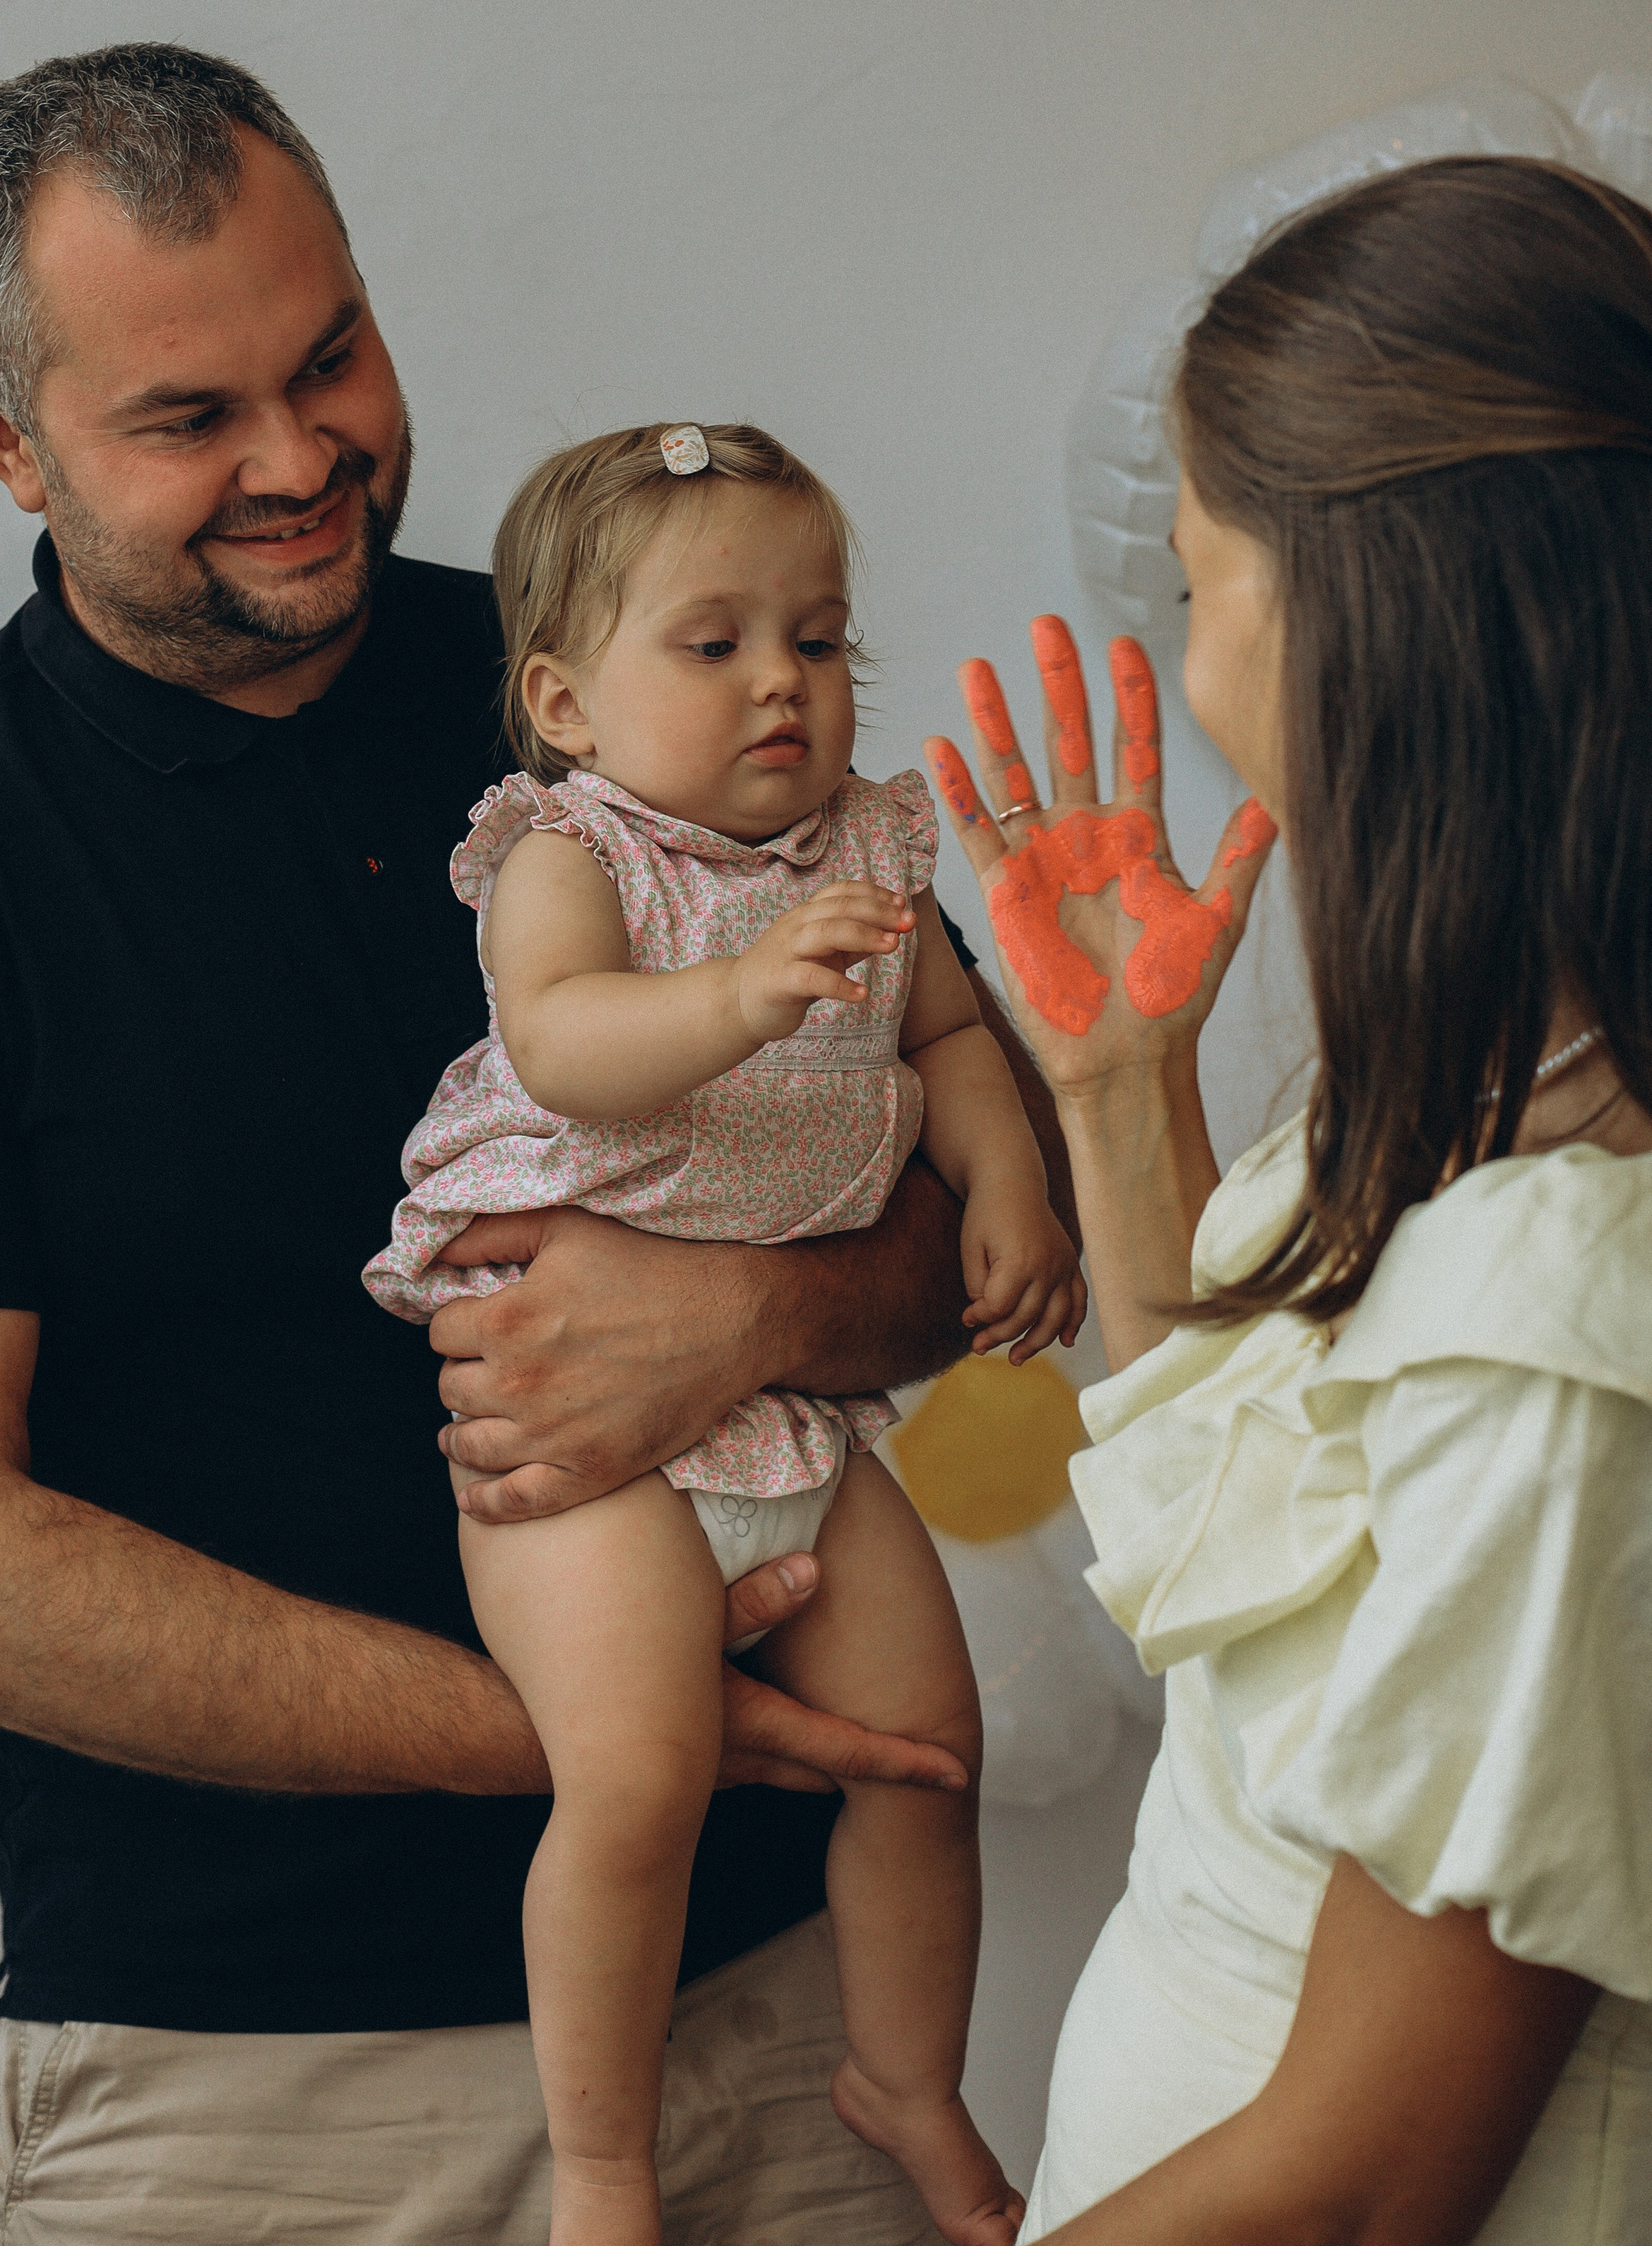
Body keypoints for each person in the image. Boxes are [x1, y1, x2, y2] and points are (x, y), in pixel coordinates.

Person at [0, 44, 1076, 2245]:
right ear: (3, 441)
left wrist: (749, 1312)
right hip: (252, 2086)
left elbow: (974, 1200)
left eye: (332, 360)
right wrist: (616, 1737)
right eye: (189, 417)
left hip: (795, 2009)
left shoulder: (628, 684)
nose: (302, 458)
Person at [926, 154, 1652, 2243]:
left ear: (1364, 620)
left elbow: (1367, 2175)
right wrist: (1121, 1095)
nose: (1194, 656)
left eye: (1206, 573)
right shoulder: (1490, 1105)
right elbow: (1250, 1613)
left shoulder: (1560, 1292)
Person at [366, 422, 1082, 2246]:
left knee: (929, 1742)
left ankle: (905, 2082)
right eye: (716, 644)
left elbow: (948, 1049)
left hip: (786, 1415)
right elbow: (562, 1042)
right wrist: (739, 994)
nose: (785, 681)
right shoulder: (567, 852)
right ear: (568, 701)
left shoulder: (873, 848)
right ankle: (604, 2168)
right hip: (581, 1440)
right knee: (636, 1772)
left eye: (821, 639)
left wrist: (1000, 1185)